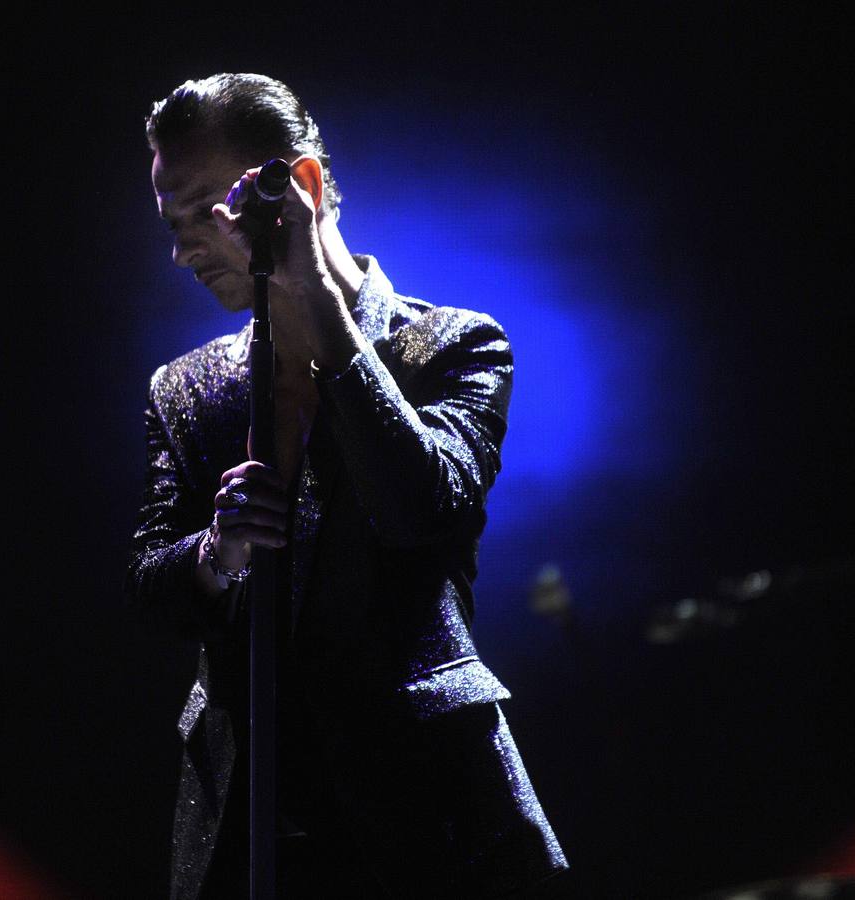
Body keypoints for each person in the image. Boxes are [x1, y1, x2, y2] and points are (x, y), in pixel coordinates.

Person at [126, 73, 567, 899]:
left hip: (425, 826)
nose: (183, 251)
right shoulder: (186, 389)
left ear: (303, 186)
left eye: (203, 215)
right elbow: (152, 588)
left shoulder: (453, 345)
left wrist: (319, 312)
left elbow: (420, 510)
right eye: (171, 224)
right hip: (247, 833)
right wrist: (219, 551)